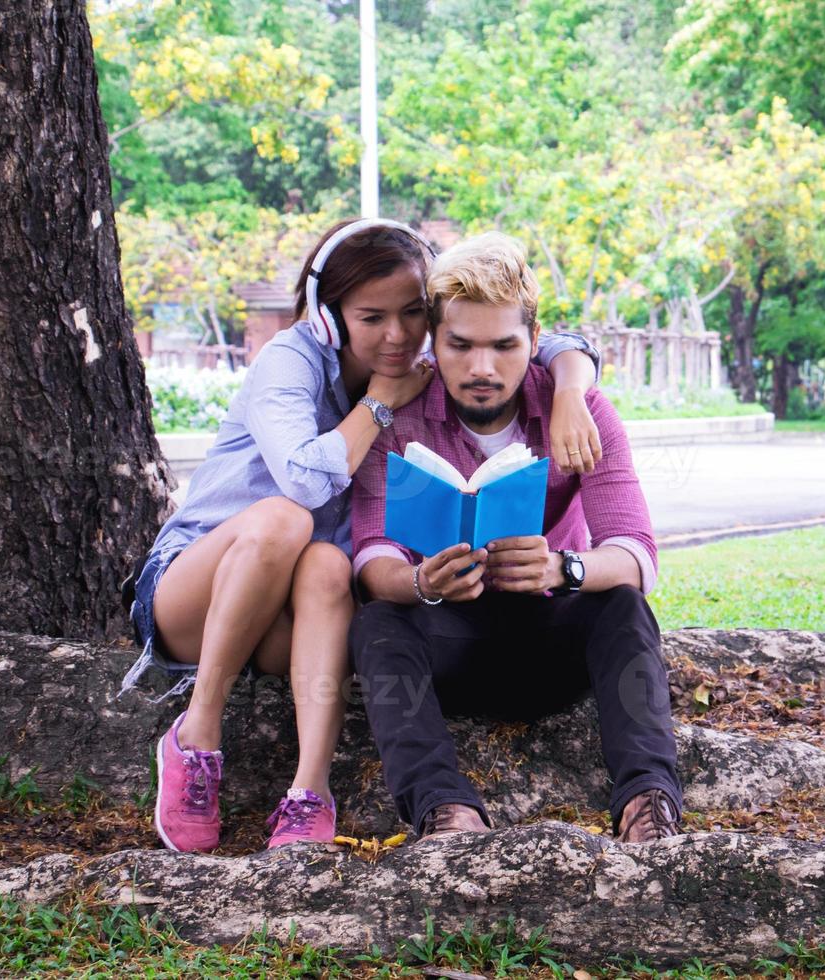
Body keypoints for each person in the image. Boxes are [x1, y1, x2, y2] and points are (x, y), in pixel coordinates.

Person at [122, 218, 605, 854]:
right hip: (196, 591)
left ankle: (308, 790)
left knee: (327, 563)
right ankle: (198, 734)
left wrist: (571, 388)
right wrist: (378, 402)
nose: (398, 335)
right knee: (287, 521)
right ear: (330, 316)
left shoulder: (432, 362)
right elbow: (301, 481)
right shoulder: (292, 359)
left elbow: (534, 334)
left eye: (413, 314)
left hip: (291, 613)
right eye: (372, 316)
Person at [348, 231, 682, 844]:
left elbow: (636, 552)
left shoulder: (577, 407)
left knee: (624, 604)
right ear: (434, 343)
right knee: (377, 621)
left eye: (504, 346)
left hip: (552, 638)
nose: (481, 368)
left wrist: (564, 569)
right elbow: (372, 553)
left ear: (534, 341)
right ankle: (445, 810)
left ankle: (647, 800)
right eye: (461, 345)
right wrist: (419, 580)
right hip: (451, 640)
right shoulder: (400, 419)